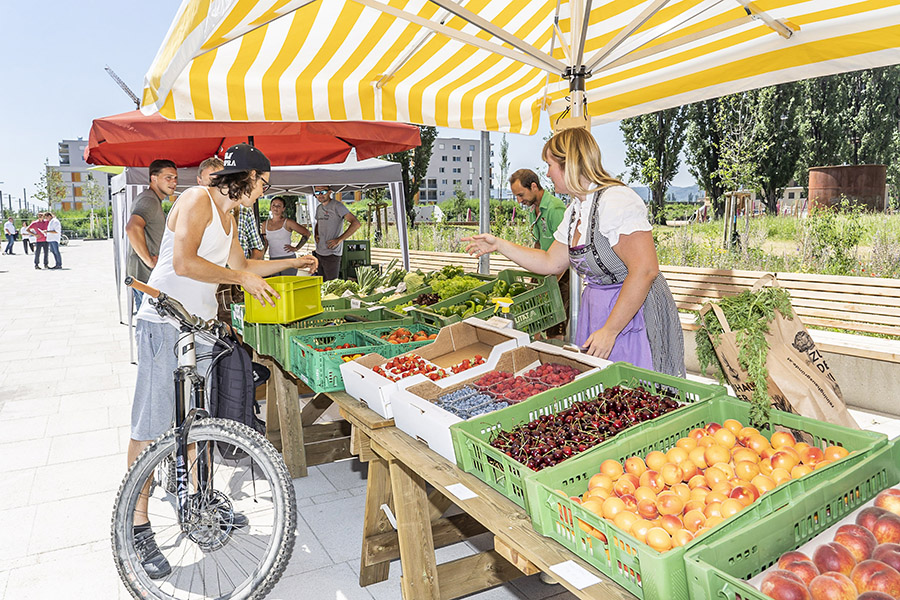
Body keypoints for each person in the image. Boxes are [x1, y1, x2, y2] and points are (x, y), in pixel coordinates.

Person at [128, 143, 317, 578]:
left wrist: (293, 262)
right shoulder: (197, 200)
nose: (264, 191)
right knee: (151, 424)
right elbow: (185, 262)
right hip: (164, 323)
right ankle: (138, 526)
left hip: (200, 328)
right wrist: (240, 278)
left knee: (198, 422)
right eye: (263, 183)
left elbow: (243, 264)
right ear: (246, 178)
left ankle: (199, 500)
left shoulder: (232, 216)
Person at [464, 128, 685, 376]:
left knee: (636, 390)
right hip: (600, 310)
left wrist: (611, 330)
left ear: (569, 163)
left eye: (549, 164)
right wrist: (499, 245)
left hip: (632, 314)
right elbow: (550, 262)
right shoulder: (575, 211)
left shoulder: (616, 200)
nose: (547, 173)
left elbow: (645, 270)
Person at [509, 168, 569, 339]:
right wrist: (534, 278)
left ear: (534, 186)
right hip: (543, 268)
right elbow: (538, 242)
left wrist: (550, 285)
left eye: (521, 195)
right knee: (536, 317)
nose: (519, 200)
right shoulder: (533, 210)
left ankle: (556, 352)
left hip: (560, 272)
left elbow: (566, 251)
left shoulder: (555, 209)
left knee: (554, 322)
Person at [126, 159, 178, 309]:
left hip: (146, 278)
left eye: (175, 178)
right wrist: (149, 261)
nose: (173, 182)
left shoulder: (152, 199)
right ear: (154, 178)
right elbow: (132, 228)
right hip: (145, 278)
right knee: (150, 329)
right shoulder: (149, 200)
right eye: (168, 177)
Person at [312, 186, 360, 281]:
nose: (320, 195)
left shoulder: (337, 206)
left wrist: (339, 239)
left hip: (332, 254)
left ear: (330, 192)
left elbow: (356, 224)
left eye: (323, 192)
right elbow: (318, 222)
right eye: (317, 193)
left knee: (331, 286)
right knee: (321, 284)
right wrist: (316, 234)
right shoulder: (319, 208)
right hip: (319, 252)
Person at [264, 196, 311, 276]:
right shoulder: (265, 224)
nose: (275, 208)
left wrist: (296, 248)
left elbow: (306, 233)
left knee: (288, 284)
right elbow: (265, 242)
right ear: (270, 207)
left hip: (288, 258)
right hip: (273, 259)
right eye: (273, 205)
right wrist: (261, 257)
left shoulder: (288, 222)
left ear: (283, 208)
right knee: (275, 284)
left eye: (279, 206)